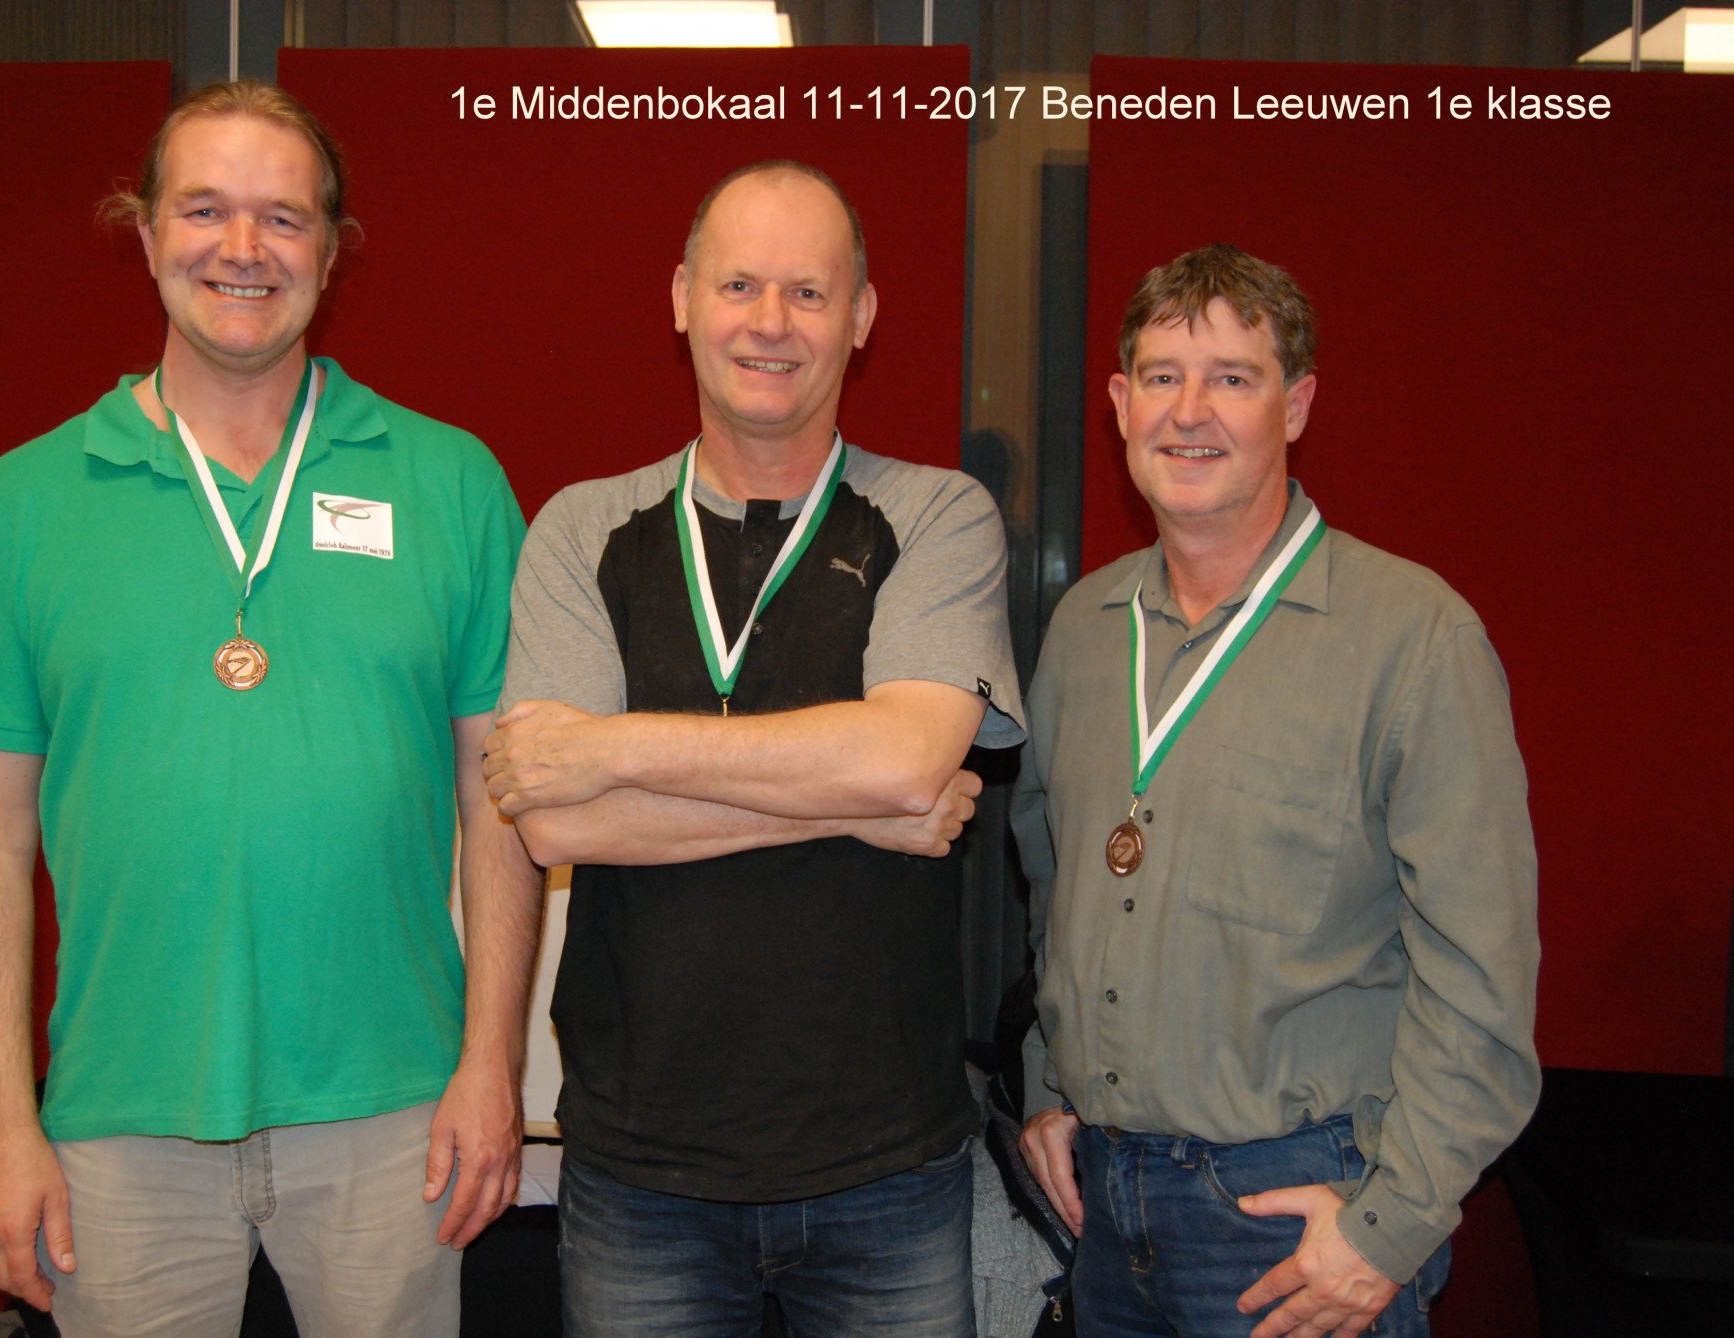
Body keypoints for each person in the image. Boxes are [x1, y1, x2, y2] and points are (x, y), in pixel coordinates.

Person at [0, 80, 539, 1336]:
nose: (243, 248)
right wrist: (1, 1122)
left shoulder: (452, 482)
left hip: (392, 1110)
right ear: (145, 230)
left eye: (283, 217)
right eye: (204, 210)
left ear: (332, 249)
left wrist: (493, 1066)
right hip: (118, 1116)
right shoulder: (23, 503)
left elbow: (501, 799)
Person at [482, 160, 1024, 1335]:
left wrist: (615, 748)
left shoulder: (938, 515)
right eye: (737, 285)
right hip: (639, 1171)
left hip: (887, 1166)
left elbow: (905, 759)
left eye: (807, 292)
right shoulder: (582, 528)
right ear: (681, 298)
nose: (769, 322)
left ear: (860, 317)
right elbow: (557, 820)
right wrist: (854, 804)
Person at [1013, 243, 1540, 1338]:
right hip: (1104, 1204)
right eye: (1161, 376)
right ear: (1119, 402)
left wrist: (1388, 1225)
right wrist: (1051, 1085)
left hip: (1298, 1210)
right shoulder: (1081, 633)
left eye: (1232, 378)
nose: (1188, 412)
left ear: (1294, 406)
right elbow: (1055, 885)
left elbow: (1481, 975)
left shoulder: (1412, 638)